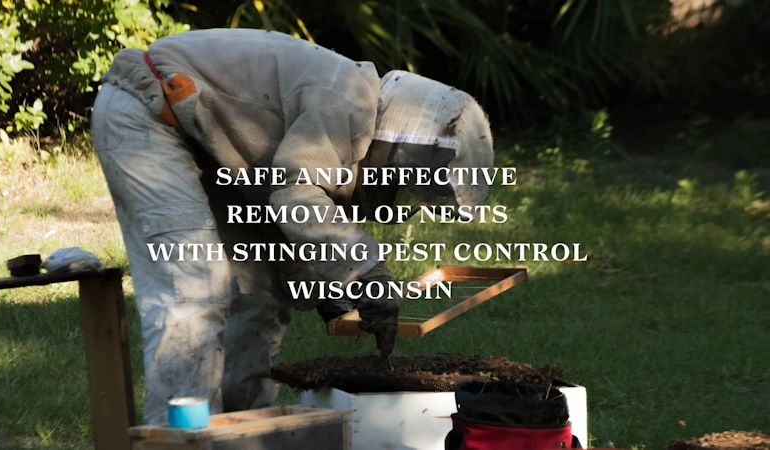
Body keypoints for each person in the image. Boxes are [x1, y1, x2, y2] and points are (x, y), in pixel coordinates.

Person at [91, 28, 494, 425]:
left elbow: (280, 222)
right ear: (406, 139)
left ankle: (244, 433)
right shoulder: (349, 102)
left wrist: (329, 290)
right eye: (407, 176)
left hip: (204, 140)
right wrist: (367, 272)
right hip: (148, 113)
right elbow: (295, 200)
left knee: (261, 295)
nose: (399, 186)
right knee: (193, 288)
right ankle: (176, 437)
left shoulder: (350, 107)